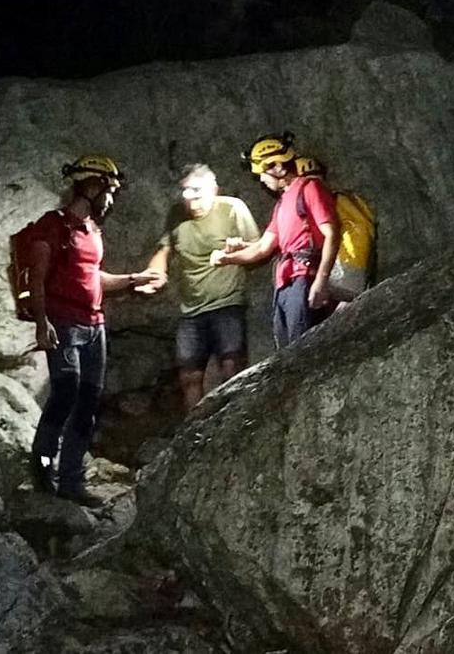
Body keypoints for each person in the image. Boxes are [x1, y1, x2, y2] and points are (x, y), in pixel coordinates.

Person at [27, 155, 163, 507]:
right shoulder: (52, 227)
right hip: (64, 324)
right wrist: (43, 323)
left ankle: (71, 481)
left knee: (87, 404)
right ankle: (42, 468)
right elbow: (37, 278)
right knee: (63, 396)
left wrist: (134, 279)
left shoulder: (92, 231)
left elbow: (94, 279)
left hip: (94, 325)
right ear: (90, 186)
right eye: (109, 190)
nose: (112, 199)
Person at [143, 164, 260, 411]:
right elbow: (165, 249)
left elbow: (258, 248)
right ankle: (193, 432)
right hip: (191, 308)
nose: (193, 202)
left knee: (232, 368)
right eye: (186, 193)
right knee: (189, 375)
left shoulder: (232, 209)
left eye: (198, 193)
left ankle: (237, 421)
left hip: (227, 302)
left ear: (213, 190)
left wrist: (237, 249)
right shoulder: (177, 214)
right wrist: (155, 273)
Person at [212, 133, 340, 348]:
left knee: (303, 349)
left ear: (279, 168)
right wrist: (227, 258)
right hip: (284, 284)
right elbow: (262, 248)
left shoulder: (309, 188)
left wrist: (321, 280)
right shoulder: (282, 204)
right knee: (285, 350)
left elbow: (332, 233)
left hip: (304, 279)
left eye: (263, 173)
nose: (261, 179)